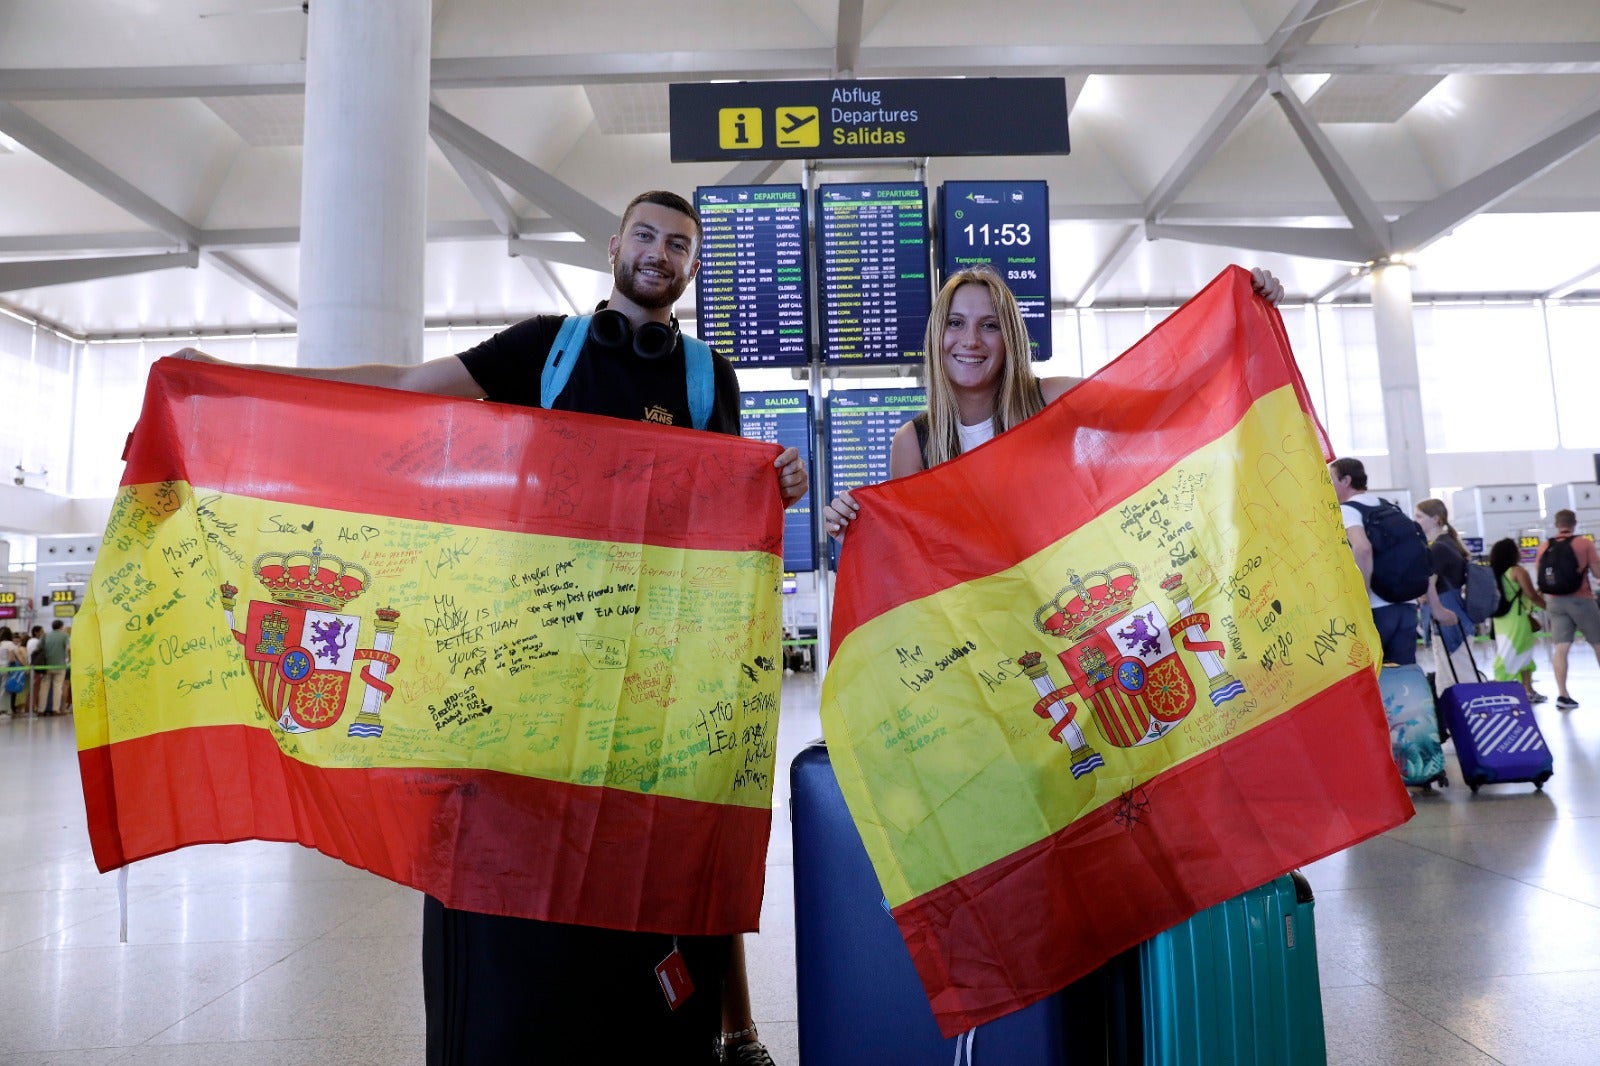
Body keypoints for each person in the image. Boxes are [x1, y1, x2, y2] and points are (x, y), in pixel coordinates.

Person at [178, 190, 801, 1066]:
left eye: (681, 245)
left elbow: (726, 516)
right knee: (516, 867)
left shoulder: (708, 379)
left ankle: (708, 1030)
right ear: (617, 247)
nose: (661, 254)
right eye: (648, 237)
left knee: (664, 853)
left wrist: (778, 481)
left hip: (652, 672)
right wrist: (234, 379)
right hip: (536, 658)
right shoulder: (542, 348)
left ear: (692, 268)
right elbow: (401, 392)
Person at [824, 265, 1282, 519]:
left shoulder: (1050, 401)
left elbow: (1159, 405)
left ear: (1012, 339)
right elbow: (906, 553)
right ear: (936, 337)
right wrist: (850, 522)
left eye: (990, 326)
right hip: (970, 647)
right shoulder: (914, 442)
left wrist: (1242, 321)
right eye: (956, 323)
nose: (971, 341)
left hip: (1058, 620)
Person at [1327, 458, 1420, 666]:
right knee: (1404, 677)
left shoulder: (1348, 510)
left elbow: (1362, 548)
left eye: (1331, 479)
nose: (1328, 485)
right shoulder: (1388, 506)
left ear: (1346, 480)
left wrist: (1364, 594)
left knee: (1373, 675)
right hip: (1407, 606)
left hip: (1377, 608)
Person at [1534, 508, 1600, 710]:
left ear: (1556, 524)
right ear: (1574, 523)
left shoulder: (1545, 546)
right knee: (1598, 643)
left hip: (1554, 601)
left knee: (1561, 647)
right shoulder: (1584, 543)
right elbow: (1597, 572)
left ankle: (1563, 695)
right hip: (1581, 599)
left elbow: (1540, 574)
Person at [1488, 537, 1547, 703]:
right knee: (1513, 655)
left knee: (1520, 654)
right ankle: (1500, 690)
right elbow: (1531, 595)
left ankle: (1528, 690)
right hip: (1517, 619)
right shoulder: (1517, 571)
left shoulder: (1493, 573)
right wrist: (1548, 608)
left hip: (1500, 621)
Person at [1414, 498, 1472, 662]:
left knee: (1451, 676)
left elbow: (1427, 588)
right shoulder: (1449, 543)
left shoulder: (1437, 548)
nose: (1415, 521)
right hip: (1456, 613)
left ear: (1436, 519)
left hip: (1445, 617)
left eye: (1419, 517)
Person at [38, 620, 70, 716]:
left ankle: (41, 710)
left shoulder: (45, 635)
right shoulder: (64, 635)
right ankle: (55, 709)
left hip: (46, 665)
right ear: (61, 626)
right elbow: (68, 648)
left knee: (44, 686)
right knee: (58, 686)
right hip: (60, 665)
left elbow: (38, 647)